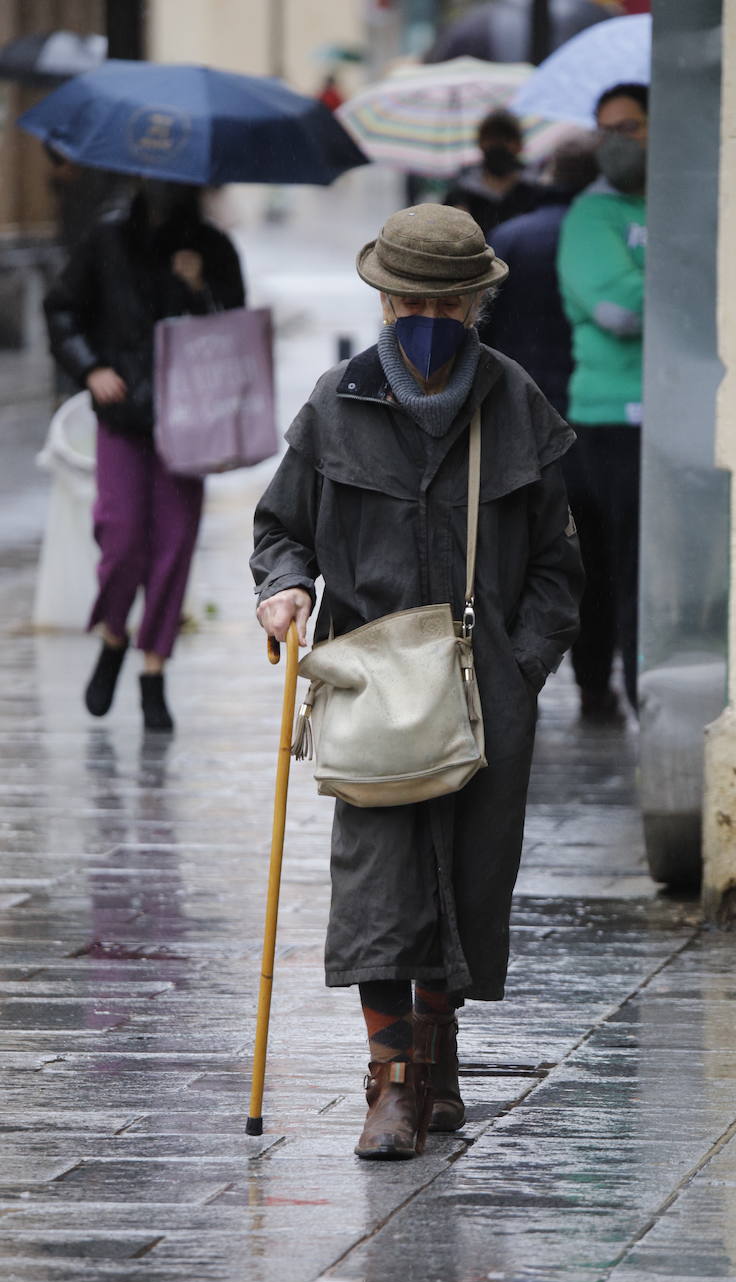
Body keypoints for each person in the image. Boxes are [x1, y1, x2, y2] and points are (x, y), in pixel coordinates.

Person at [251, 204, 583, 1161]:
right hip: (374, 686)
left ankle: (438, 1063)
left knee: (470, 880)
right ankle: (391, 1082)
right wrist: (284, 593)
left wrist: (523, 665)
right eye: (411, 298)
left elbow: (561, 565)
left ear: (477, 303)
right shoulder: (336, 403)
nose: (429, 315)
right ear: (385, 299)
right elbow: (282, 530)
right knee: (380, 881)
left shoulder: (516, 402)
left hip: (488, 686)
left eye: (449, 299)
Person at [44, 180, 245, 731]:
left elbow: (236, 330)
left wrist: (199, 286)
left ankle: (153, 670)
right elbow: (62, 309)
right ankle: (114, 636)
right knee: (121, 537)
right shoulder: (106, 240)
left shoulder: (212, 247)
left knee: (174, 546)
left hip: (190, 422)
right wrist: (89, 367)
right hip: (125, 416)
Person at [557, 82, 648, 718]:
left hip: (671, 418)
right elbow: (616, 307)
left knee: (647, 575)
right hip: (606, 420)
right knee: (605, 567)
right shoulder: (591, 216)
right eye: (605, 129)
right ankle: (597, 687)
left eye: (632, 127)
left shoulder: (685, 202)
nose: (617, 142)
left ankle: (647, 691)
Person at [482, 132, 599, 416]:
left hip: (519, 391)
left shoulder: (510, 236)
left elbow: (482, 318)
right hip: (591, 395)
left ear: (552, 175)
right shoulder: (603, 236)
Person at [443, 107, 545, 238]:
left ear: (519, 145)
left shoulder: (536, 191)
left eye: (506, 138)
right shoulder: (461, 193)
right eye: (491, 137)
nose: (498, 144)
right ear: (480, 143)